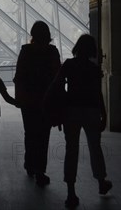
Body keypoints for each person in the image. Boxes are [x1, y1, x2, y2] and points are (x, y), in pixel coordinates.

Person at [50, 34, 112, 208]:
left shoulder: (69, 65)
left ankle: (71, 192)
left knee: (71, 150)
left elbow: (57, 86)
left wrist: (59, 111)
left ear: (77, 47)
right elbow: (98, 94)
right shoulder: (93, 68)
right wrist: (104, 114)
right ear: (92, 49)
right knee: (95, 147)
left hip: (72, 110)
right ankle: (101, 181)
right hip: (92, 110)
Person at [13, 20, 61, 186]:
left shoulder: (25, 51)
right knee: (43, 136)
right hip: (46, 100)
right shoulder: (53, 52)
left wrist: (19, 97)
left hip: (28, 99)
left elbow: (19, 76)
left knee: (30, 133)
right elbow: (58, 79)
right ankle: (40, 170)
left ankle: (29, 164)